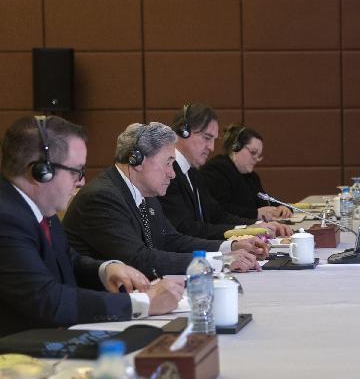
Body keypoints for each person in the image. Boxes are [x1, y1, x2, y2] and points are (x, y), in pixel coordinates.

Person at [0, 116, 183, 336]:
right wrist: (143, 303)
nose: (81, 182)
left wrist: (106, 269)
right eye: (76, 171)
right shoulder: (6, 219)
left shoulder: (39, 208)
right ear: (41, 171)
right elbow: (47, 299)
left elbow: (67, 260)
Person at [64, 122, 265, 278]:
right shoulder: (102, 198)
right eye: (168, 163)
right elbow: (138, 259)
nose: (172, 173)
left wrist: (230, 247)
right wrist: (218, 262)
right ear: (137, 160)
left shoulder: (145, 193)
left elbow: (171, 239)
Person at [158, 104, 291, 240]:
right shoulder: (167, 173)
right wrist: (243, 233)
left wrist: (255, 226)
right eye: (207, 138)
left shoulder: (193, 172)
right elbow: (186, 229)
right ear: (183, 131)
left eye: (214, 140)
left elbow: (217, 215)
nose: (211, 147)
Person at [200, 124, 292, 221]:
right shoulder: (215, 170)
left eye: (259, 155)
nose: (256, 159)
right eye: (253, 152)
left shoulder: (251, 176)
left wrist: (282, 208)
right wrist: (255, 214)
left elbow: (265, 201)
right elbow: (220, 210)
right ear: (236, 147)